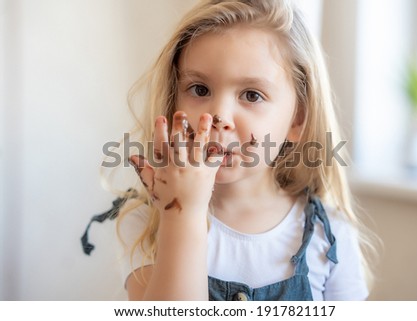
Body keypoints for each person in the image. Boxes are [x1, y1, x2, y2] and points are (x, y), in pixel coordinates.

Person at [115, 0, 378, 301]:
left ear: (298, 119)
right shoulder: (149, 221)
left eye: (252, 95)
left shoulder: (329, 235)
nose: (219, 117)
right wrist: (182, 214)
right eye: (200, 89)